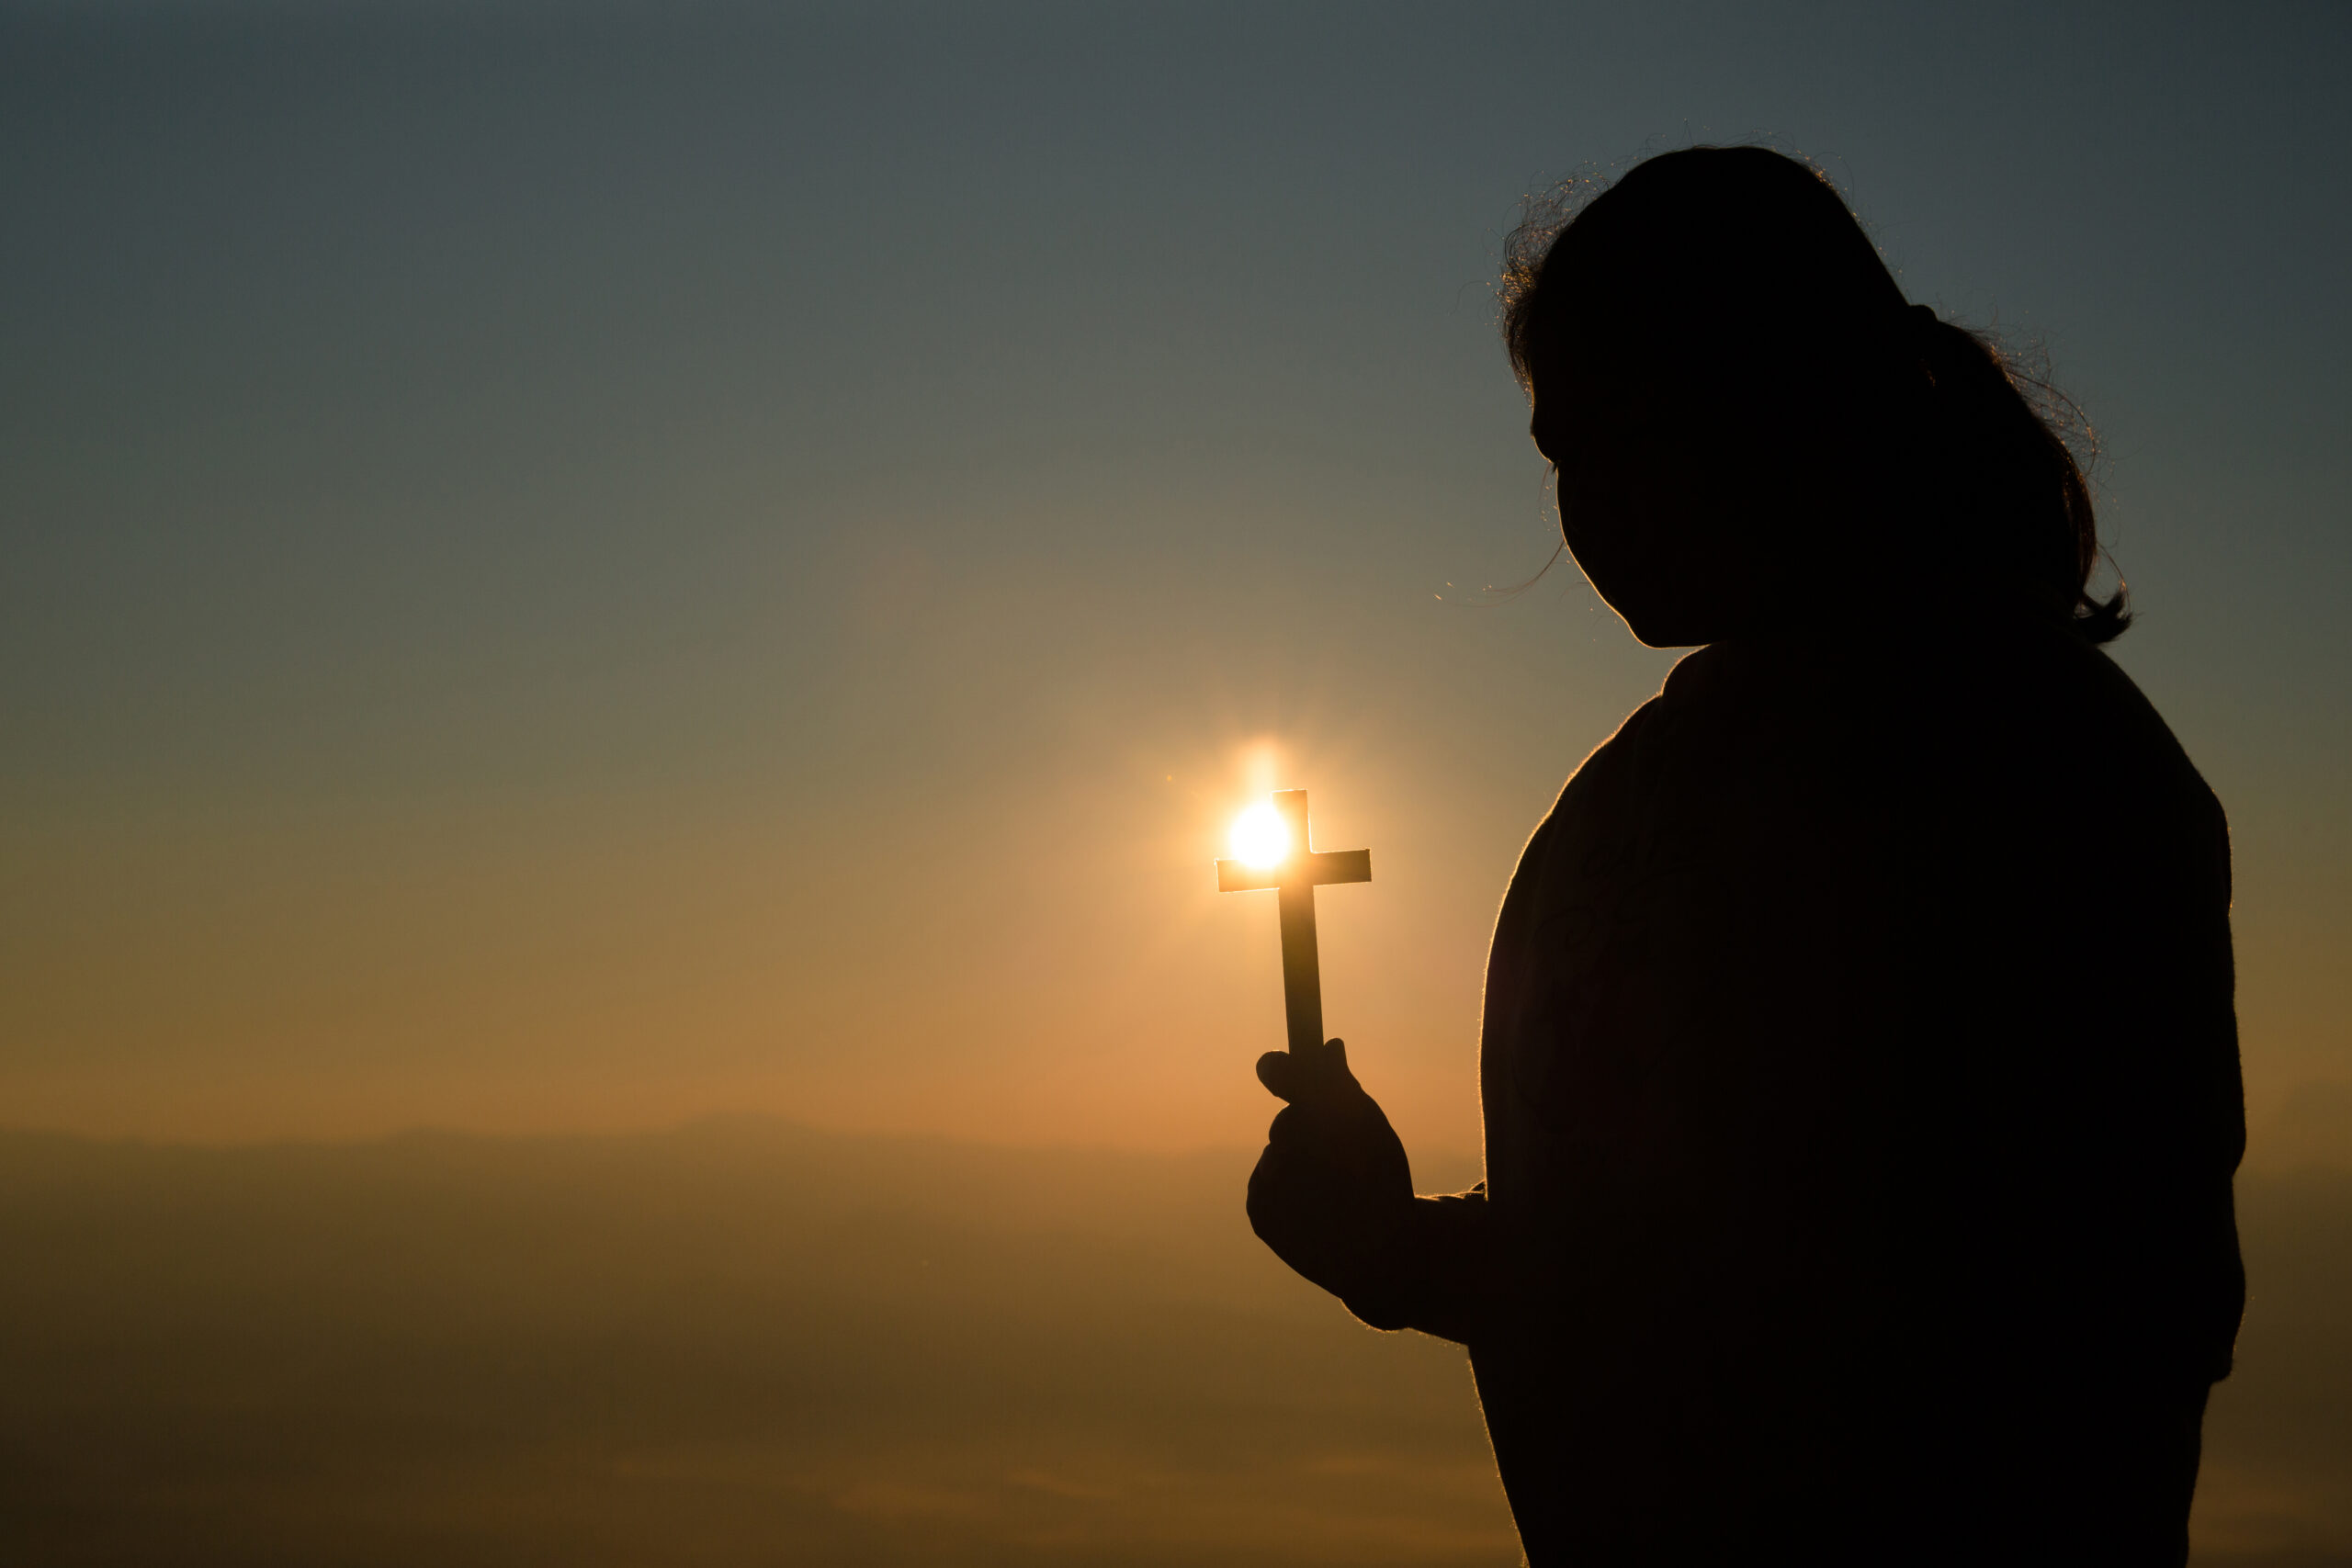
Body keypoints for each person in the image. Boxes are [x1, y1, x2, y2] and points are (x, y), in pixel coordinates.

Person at [1244, 146, 2245, 1566]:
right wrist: (1399, 1242)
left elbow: (1865, 1317)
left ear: (1781, 406)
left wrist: (1403, 1254)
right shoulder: (1652, 789)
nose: (1587, 505)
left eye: (1627, 429)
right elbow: (1643, 1255)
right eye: (1560, 454)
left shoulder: (2009, 763)